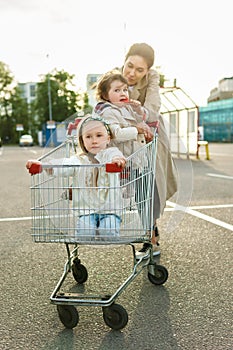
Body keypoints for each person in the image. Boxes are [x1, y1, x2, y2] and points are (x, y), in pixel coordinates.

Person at [93, 70, 160, 256]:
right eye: (117, 90)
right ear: (106, 95)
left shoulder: (127, 108)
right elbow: (113, 133)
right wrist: (136, 129)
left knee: (146, 200)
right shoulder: (106, 111)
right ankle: (102, 226)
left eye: (125, 89)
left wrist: (139, 111)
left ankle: (151, 239)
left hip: (138, 163)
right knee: (121, 202)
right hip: (122, 165)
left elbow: (145, 119)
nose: (123, 93)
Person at [26, 116, 126, 239]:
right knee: (84, 235)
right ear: (82, 140)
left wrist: (117, 161)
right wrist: (44, 166)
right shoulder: (78, 160)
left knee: (108, 233)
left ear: (108, 138)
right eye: (88, 137)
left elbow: (117, 156)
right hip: (86, 211)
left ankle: (106, 228)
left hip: (110, 209)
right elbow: (63, 164)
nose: (94, 141)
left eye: (99, 135)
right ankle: (92, 229)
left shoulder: (110, 154)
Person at [120, 42, 178, 256]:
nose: (132, 73)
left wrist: (135, 110)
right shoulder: (115, 79)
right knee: (137, 189)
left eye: (139, 70)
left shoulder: (152, 80)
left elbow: (152, 109)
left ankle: (150, 238)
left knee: (149, 187)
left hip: (150, 139)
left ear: (148, 71)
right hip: (126, 139)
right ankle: (150, 233)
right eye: (129, 66)